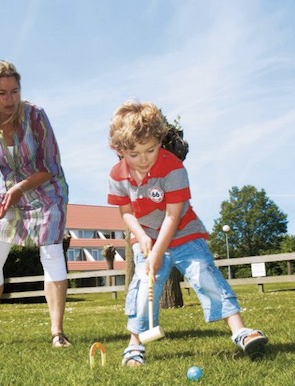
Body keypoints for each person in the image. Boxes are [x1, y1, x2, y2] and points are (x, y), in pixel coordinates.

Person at [106, 100, 268, 366]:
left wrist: (159, 250)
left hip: (183, 232)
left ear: (160, 140)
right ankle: (135, 345)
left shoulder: (172, 167)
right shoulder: (117, 175)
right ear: (119, 149)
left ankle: (240, 331)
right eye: (134, 154)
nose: (144, 159)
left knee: (204, 273)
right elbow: (126, 212)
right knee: (144, 285)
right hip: (146, 236)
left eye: (150, 150)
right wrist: (144, 238)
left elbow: (172, 215)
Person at [0, 60, 71, 348]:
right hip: (9, 196)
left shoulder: (35, 117)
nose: (10, 99)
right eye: (3, 93)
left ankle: (57, 332)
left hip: (47, 190)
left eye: (15, 91)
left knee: (51, 252)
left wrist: (19, 189)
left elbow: (50, 166)